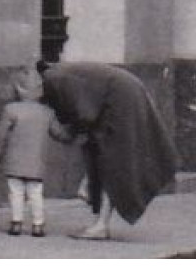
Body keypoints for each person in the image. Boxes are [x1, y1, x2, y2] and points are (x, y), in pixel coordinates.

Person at [38, 60, 178, 241]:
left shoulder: (53, 80)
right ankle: (100, 221)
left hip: (122, 99)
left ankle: (100, 225)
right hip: (123, 94)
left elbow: (85, 115)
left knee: (112, 162)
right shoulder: (60, 74)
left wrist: (69, 131)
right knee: (108, 159)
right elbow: (85, 114)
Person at [0, 67, 66, 237]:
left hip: (14, 161)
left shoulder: (11, 109)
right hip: (36, 162)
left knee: (15, 192)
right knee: (36, 193)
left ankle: (16, 223)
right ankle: (38, 225)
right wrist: (73, 133)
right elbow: (59, 133)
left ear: (18, 89)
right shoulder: (47, 112)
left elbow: (0, 135)